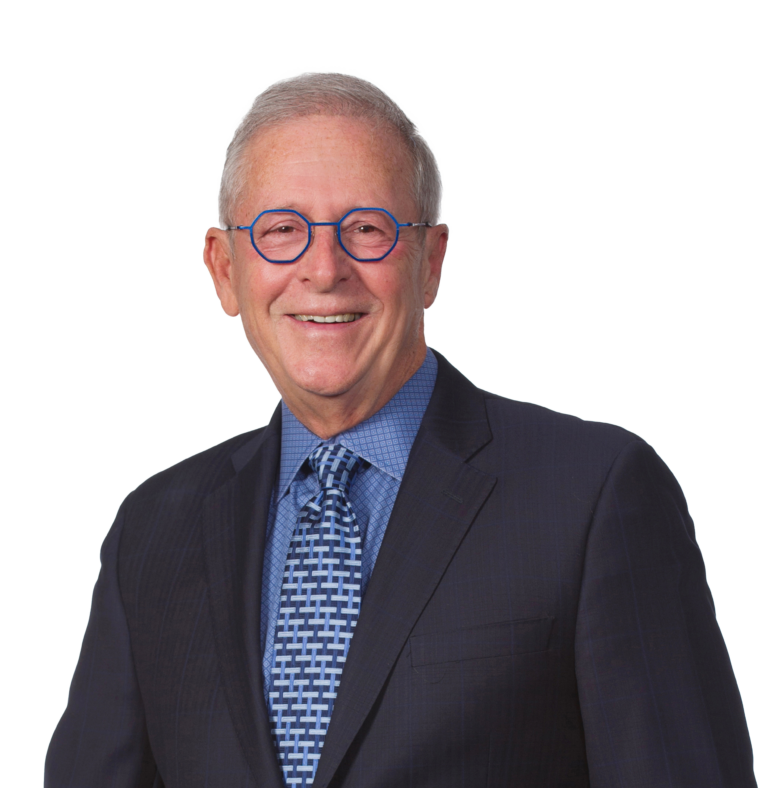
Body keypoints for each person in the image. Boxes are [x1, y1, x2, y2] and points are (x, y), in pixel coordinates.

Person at [43, 71, 755, 788]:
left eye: (367, 229)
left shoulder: (593, 494)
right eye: (282, 230)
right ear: (225, 269)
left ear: (430, 263)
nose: (324, 270)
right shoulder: (154, 531)